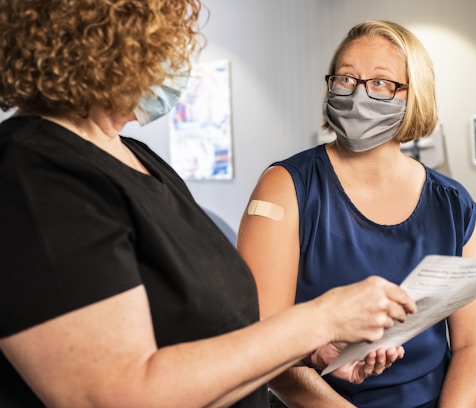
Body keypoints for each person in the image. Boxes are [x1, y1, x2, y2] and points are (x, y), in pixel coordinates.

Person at [0, 4, 418, 407]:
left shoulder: (138, 158)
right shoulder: (32, 173)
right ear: (109, 43)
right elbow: (115, 394)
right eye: (165, 39)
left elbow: (202, 335)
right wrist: (320, 319)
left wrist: (310, 350)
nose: (179, 55)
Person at [237, 20, 476, 408]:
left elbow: (474, 344)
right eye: (346, 79)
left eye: (380, 82)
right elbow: (262, 341)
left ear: (414, 95)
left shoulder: (452, 205)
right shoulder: (286, 187)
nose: (358, 95)